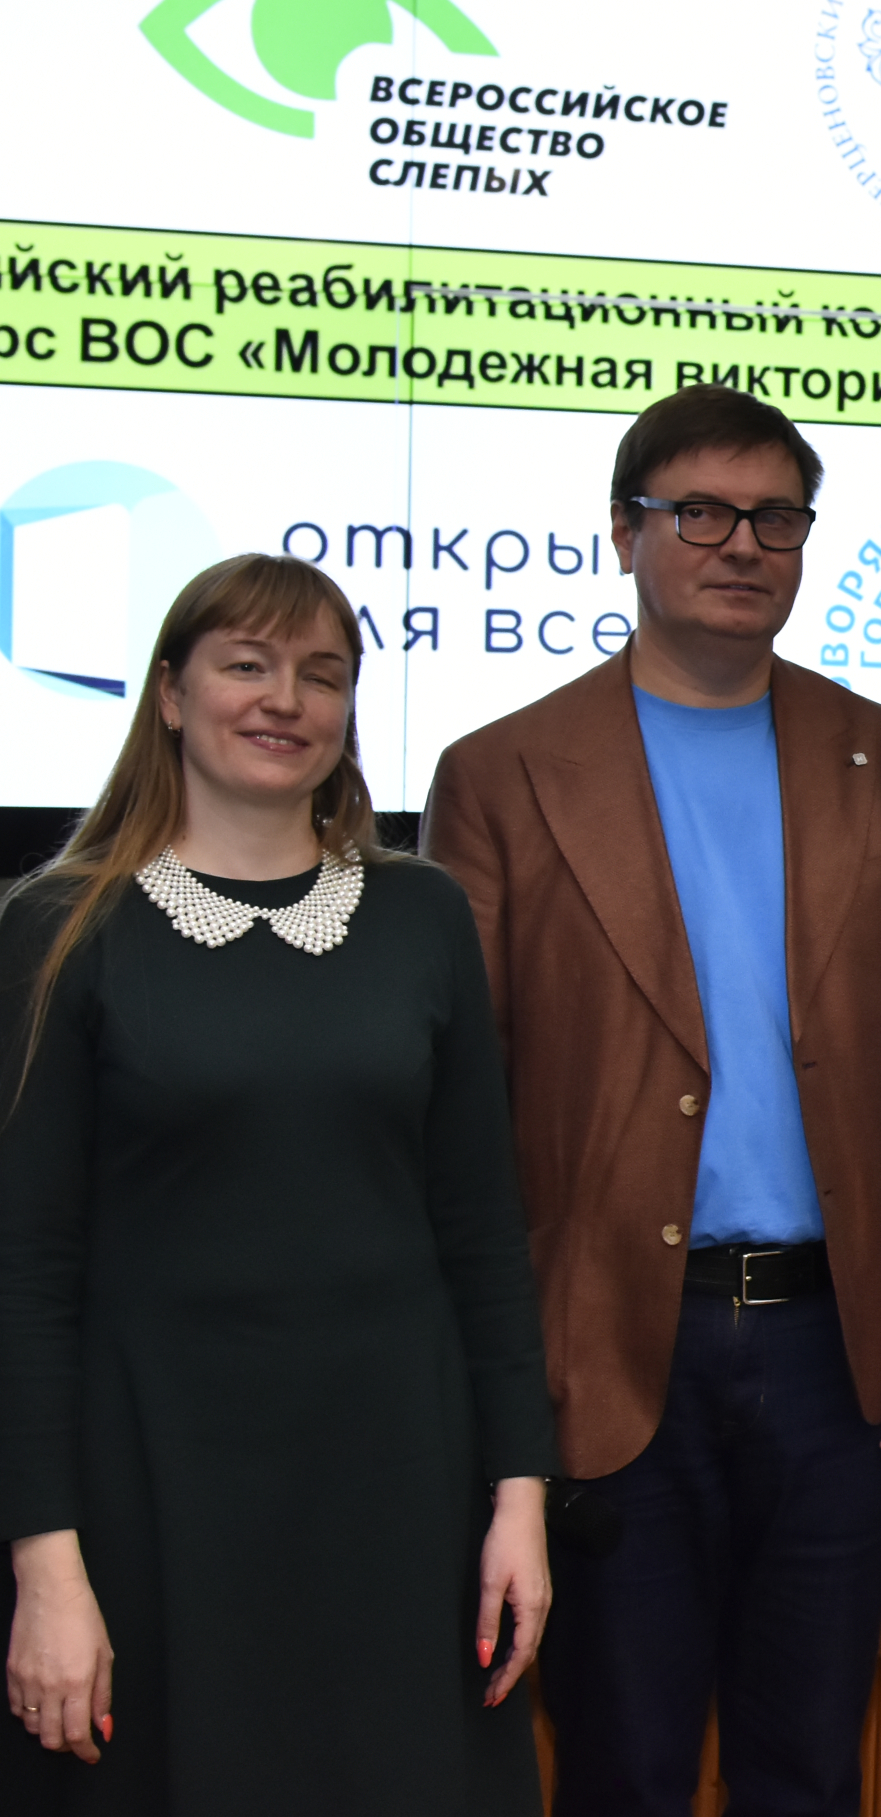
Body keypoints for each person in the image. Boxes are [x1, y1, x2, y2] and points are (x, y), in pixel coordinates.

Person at [422, 384, 881, 1816]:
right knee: (620, 1768)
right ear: (623, 534)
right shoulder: (501, 774)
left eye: (775, 518)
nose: (741, 543)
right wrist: (492, 1375)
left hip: (834, 1356)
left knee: (807, 1767)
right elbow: (458, 1110)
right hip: (609, 1350)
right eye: (698, 513)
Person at [0, 554, 557, 1815]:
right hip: (151, 1499)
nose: (285, 699)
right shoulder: (62, 926)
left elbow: (483, 1232)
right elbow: (23, 1272)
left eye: (322, 674)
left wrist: (519, 1499)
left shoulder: (423, 915)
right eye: (246, 665)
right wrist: (45, 1565)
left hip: (401, 1495)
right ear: (170, 694)